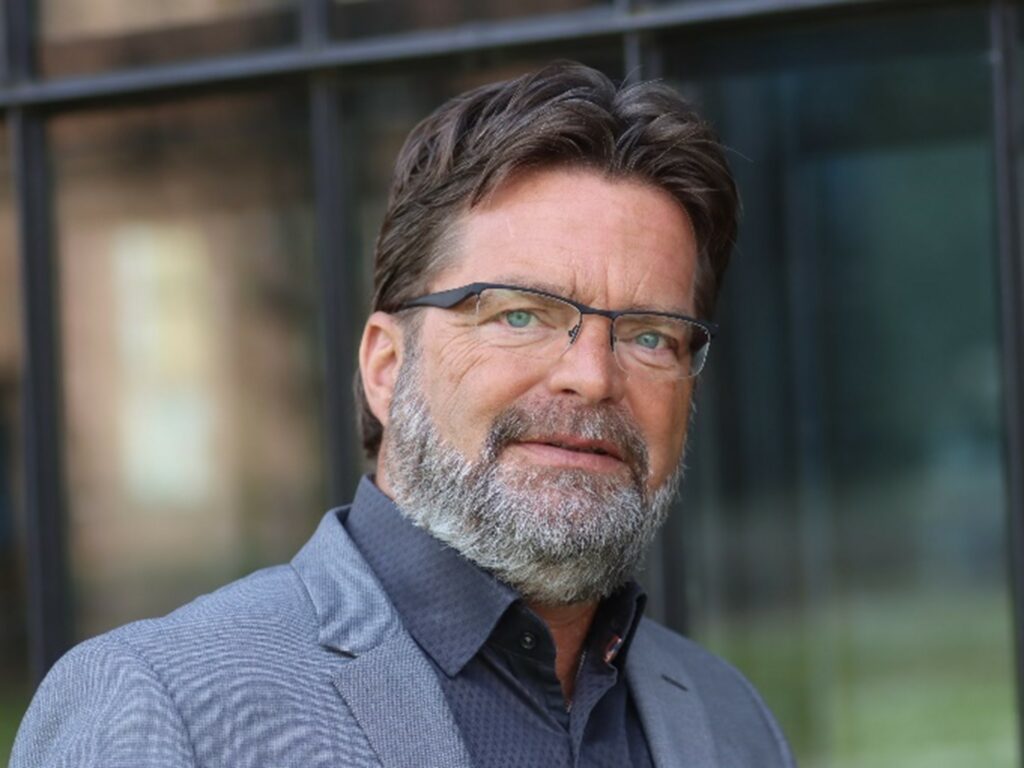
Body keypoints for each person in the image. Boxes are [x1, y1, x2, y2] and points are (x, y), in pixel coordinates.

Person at [12, 61, 795, 768]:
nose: (591, 377)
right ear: (386, 367)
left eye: (650, 335)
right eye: (520, 314)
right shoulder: (159, 705)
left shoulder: (732, 720)